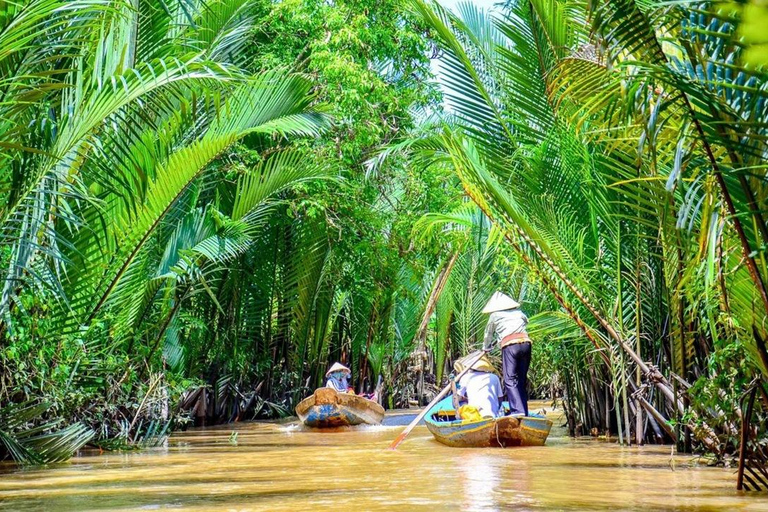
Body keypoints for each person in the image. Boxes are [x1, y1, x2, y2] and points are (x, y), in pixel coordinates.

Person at [482, 291, 531, 416]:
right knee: (521, 379)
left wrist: (485, 348)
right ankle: (524, 411)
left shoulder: (494, 315)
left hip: (510, 346)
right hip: (526, 344)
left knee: (510, 380)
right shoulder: (519, 313)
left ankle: (517, 411)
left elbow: (488, 334)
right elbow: (525, 322)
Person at [452, 353, 504, 419]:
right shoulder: (494, 377)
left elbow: (456, 400)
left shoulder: (466, 377)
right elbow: (500, 399)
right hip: (492, 414)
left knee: (457, 401)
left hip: (475, 415)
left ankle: (475, 413)